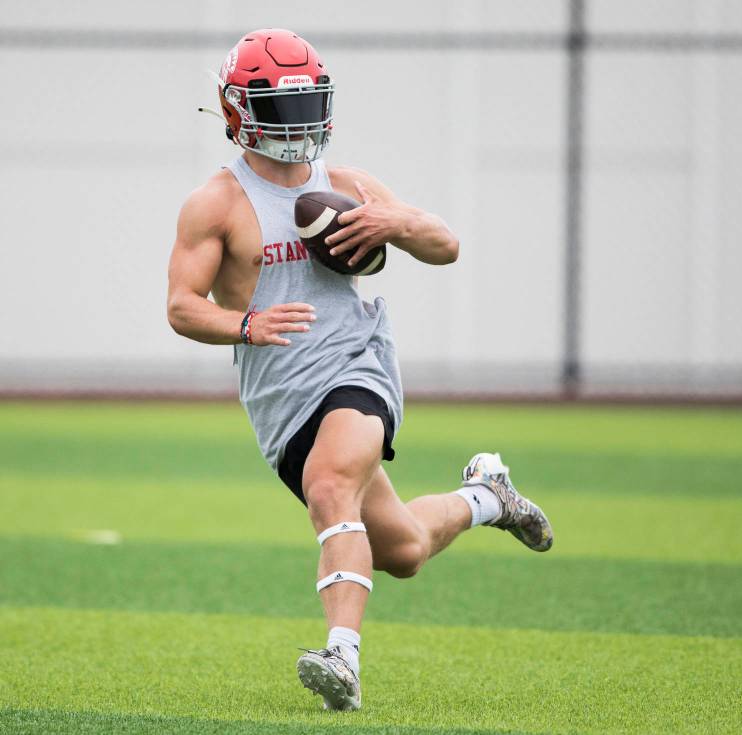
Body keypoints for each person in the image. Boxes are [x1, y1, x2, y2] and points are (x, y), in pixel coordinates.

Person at [166, 28, 553, 711]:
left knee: (329, 483)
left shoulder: (347, 184)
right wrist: (248, 324)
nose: (298, 125)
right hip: (281, 398)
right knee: (401, 548)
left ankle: (341, 657)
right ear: (236, 112)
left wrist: (393, 223)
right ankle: (490, 495)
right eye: (281, 109)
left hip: (356, 364)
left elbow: (448, 244)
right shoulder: (215, 205)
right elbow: (180, 307)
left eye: (307, 105)